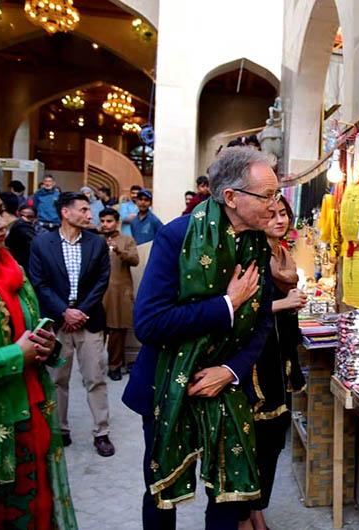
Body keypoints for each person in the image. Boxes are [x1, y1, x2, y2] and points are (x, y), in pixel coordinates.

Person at [122, 146, 280, 529]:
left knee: (228, 496)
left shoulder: (259, 243)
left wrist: (230, 370)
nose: (276, 207)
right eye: (267, 196)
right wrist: (227, 303)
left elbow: (261, 325)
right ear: (231, 197)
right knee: (162, 495)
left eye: (278, 195)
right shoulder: (177, 236)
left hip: (225, 387)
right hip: (167, 384)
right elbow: (149, 323)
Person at [0, 170, 78, 529]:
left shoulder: (8, 265)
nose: (1, 223)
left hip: (28, 417)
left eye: (1, 211)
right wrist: (14, 356)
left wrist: (46, 346)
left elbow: (27, 331)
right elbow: (13, 349)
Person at [237, 196, 307, 530]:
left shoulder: (283, 254)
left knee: (273, 439)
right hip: (256, 360)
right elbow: (240, 312)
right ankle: (244, 516)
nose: (280, 220)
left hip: (280, 357)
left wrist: (292, 304)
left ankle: (257, 510)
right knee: (255, 439)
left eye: (284, 214)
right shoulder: (253, 256)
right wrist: (284, 304)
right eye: (273, 214)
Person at [28, 191, 114, 457]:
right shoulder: (42, 244)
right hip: (57, 324)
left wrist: (80, 311)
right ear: (66, 212)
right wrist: (64, 311)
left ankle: (102, 432)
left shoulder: (96, 244)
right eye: (85, 209)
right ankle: (60, 429)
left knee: (95, 378)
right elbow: (39, 283)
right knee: (57, 379)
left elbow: (102, 281)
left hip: (89, 322)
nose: (90, 215)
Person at [99, 207, 139, 381]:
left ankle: (114, 366)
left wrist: (118, 250)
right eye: (103, 221)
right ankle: (93, 368)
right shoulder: (94, 240)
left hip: (119, 292)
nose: (105, 225)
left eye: (109, 221)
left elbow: (135, 260)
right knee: (97, 332)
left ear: (117, 222)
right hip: (98, 293)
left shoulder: (126, 240)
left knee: (117, 331)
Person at [6, 204, 42, 270]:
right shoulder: (14, 228)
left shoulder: (42, 232)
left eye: (29, 217)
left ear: (35, 219)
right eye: (21, 216)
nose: (24, 219)